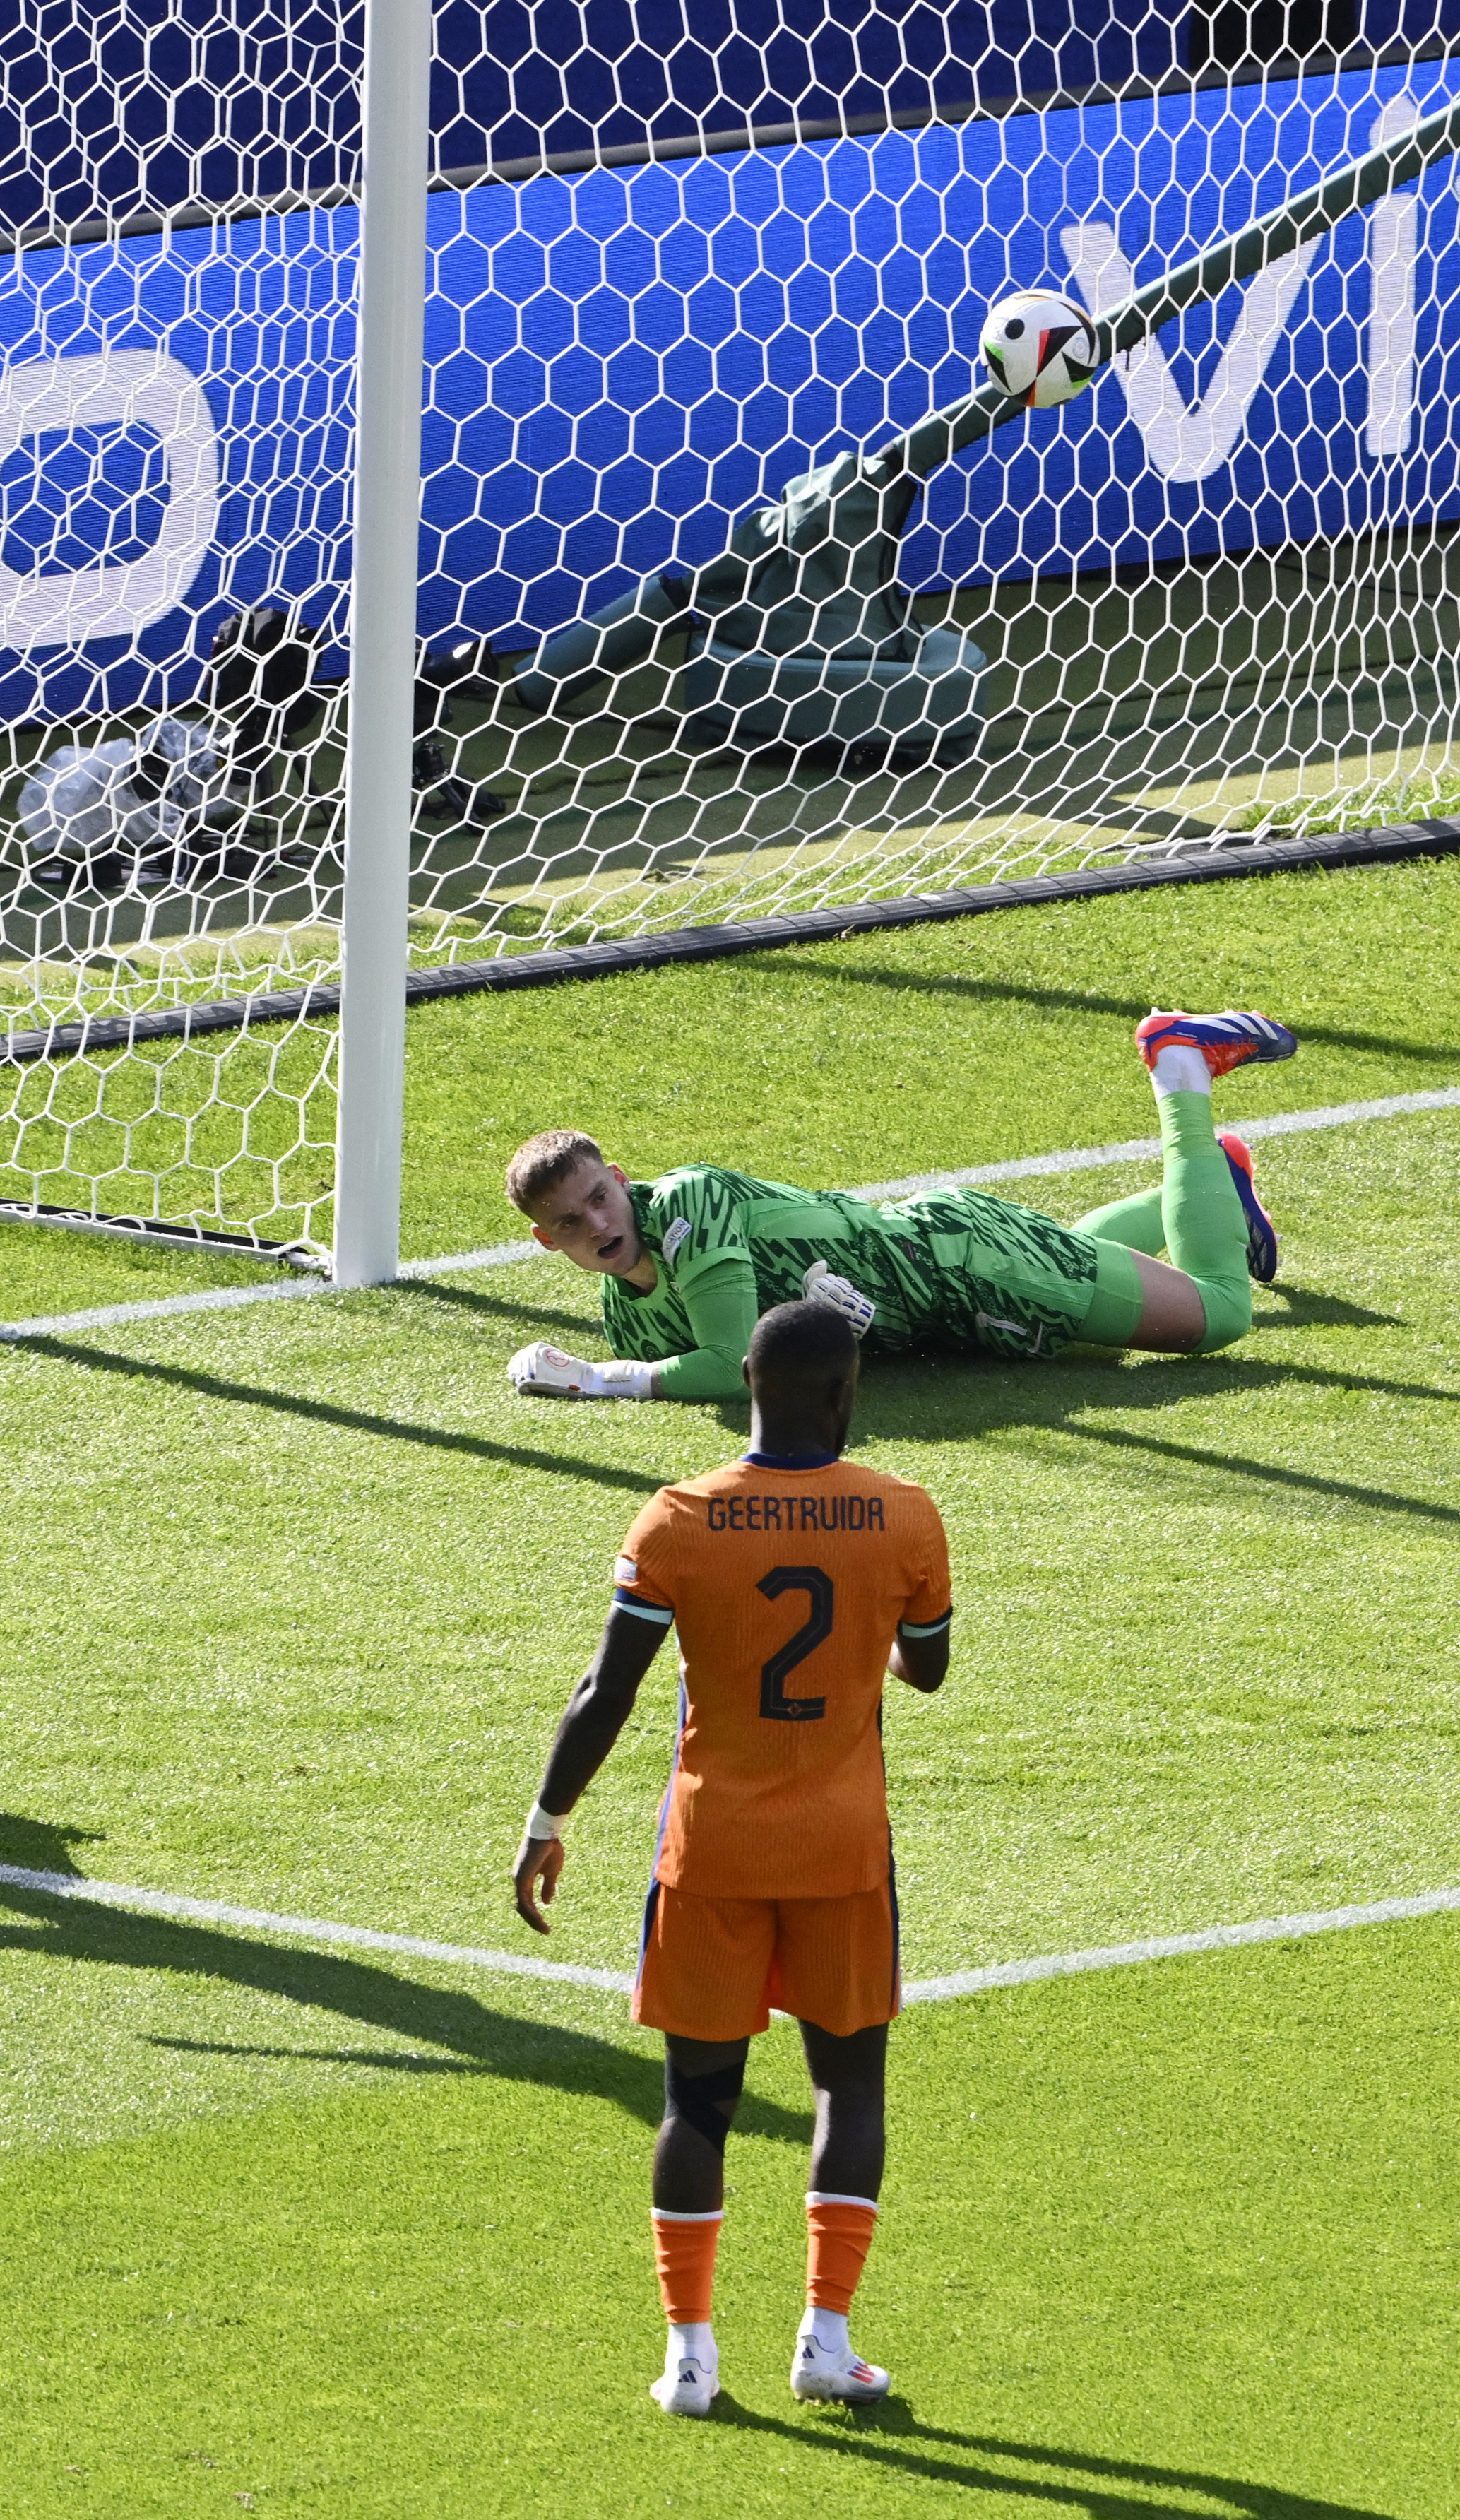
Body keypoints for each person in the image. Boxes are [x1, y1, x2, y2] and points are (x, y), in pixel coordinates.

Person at [511, 1291, 956, 2415]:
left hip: (709, 1852)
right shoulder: (905, 1515)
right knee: (847, 2089)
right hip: (843, 1855)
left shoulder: (676, 1518)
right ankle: (825, 2341)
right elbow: (928, 1666)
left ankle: (689, 2359)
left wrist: (547, 1821)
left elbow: (605, 1691)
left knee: (696, 2104)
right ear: (847, 1394)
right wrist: (867, 1649)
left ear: (747, 1384)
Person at [502, 1011, 1295, 1404]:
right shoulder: (630, 1317)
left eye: (599, 1198)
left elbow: (731, 1365)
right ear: (546, 1240)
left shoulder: (688, 1203)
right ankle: (1212, 1184)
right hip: (952, 1311)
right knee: (1081, 1264)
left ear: (619, 1178)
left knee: (1219, 1317)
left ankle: (1180, 1067)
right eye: (571, 1221)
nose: (598, 1225)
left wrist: (599, 1380)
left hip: (967, 1262)